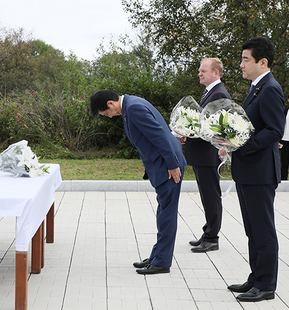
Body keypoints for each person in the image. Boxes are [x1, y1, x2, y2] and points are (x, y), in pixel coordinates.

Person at [89, 90, 186, 275]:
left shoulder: (133, 108)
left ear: (110, 104)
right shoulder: (130, 105)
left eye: (105, 114)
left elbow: (160, 136)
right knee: (163, 212)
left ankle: (162, 262)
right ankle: (156, 256)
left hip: (168, 166)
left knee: (167, 215)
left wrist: (172, 165)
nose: (108, 117)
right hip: (163, 164)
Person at [218, 37, 285, 302]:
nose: (241, 65)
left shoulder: (270, 88)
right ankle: (255, 278)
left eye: (246, 59)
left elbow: (274, 130)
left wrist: (240, 146)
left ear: (262, 62)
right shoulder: (256, 87)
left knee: (263, 229)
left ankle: (266, 285)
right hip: (248, 171)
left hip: (260, 172)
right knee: (252, 229)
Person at [183, 58, 231, 253]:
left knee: (211, 196)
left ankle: (212, 237)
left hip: (208, 153)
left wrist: (189, 131)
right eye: (199, 70)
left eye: (203, 70)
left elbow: (214, 127)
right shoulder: (210, 91)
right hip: (202, 153)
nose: (199, 73)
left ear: (216, 73)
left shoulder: (219, 93)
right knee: (206, 195)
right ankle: (208, 232)